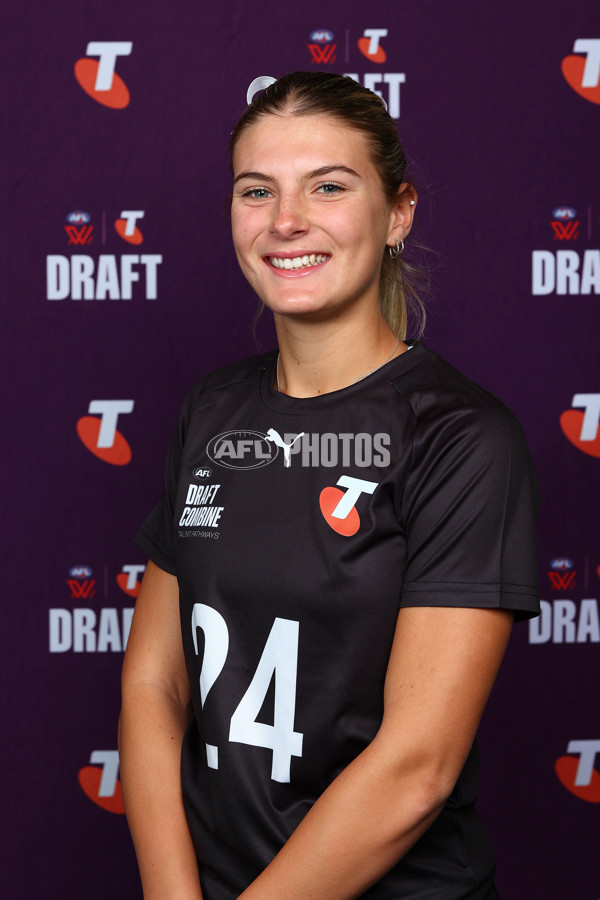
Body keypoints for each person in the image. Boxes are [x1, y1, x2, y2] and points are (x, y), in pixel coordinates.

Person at [119, 71, 539, 900]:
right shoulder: (214, 407)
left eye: (329, 186)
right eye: (256, 190)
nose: (286, 222)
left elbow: (419, 767)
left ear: (399, 213)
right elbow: (154, 682)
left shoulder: (460, 438)